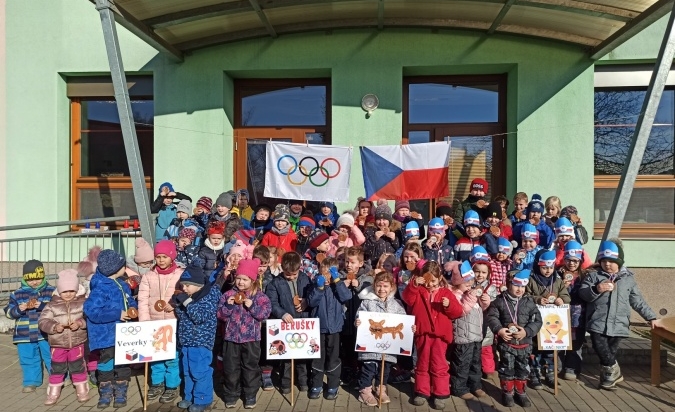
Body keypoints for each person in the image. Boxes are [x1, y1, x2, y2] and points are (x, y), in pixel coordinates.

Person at [579, 239, 658, 391]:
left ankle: (607, 377)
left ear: (619, 261)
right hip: (598, 321)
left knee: (610, 351)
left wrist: (651, 317)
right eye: (604, 261)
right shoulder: (593, 276)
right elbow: (583, 294)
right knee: (599, 347)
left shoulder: (628, 279)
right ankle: (612, 371)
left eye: (611, 261)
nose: (607, 264)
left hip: (619, 323)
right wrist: (597, 289)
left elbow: (638, 301)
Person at [402, 260, 462, 409]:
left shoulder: (445, 292)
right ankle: (422, 391)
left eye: (433, 281)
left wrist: (449, 305)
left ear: (439, 277)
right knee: (422, 363)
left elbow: (457, 312)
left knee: (439, 364)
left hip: (439, 336)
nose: (429, 284)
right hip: (422, 333)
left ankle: (440, 393)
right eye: (427, 281)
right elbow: (407, 299)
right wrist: (414, 285)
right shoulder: (418, 291)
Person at [84, 249, 138, 409]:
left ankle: (121, 391)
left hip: (123, 334)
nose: (125, 268)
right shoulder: (100, 288)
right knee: (106, 362)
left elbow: (129, 301)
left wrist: (132, 308)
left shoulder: (122, 285)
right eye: (123, 266)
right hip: (106, 335)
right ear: (114, 269)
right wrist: (117, 314)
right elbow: (91, 311)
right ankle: (106, 392)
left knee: (123, 362)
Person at [217, 258, 272, 408]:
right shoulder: (228, 295)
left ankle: (250, 395)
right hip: (231, 338)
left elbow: (265, 314)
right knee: (231, 368)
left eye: (245, 279)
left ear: (252, 280)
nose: (241, 282)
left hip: (251, 339)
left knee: (250, 368)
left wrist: (252, 306)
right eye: (239, 278)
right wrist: (227, 307)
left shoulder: (259, 297)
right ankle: (231, 394)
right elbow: (220, 315)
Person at [486, 269, 542, 407]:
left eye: (522, 286)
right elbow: (492, 317)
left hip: (525, 344)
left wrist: (527, 332)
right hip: (507, 344)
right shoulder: (499, 301)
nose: (520, 289)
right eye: (516, 285)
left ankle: (521, 392)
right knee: (507, 368)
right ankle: (508, 393)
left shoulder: (529, 302)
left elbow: (537, 321)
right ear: (508, 283)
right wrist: (499, 330)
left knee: (523, 369)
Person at [354, 271, 411, 406]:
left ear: (391, 287)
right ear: (374, 286)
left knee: (384, 369)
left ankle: (381, 388)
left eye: (385, 286)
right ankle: (365, 391)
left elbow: (403, 321)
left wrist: (410, 328)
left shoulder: (396, 304)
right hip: (369, 346)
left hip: (388, 348)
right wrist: (358, 322)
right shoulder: (367, 302)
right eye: (379, 286)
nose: (382, 289)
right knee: (368, 369)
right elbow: (359, 316)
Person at [138, 240, 184, 403]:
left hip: (172, 323)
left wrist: (174, 306)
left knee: (172, 356)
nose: (161, 260)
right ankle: (157, 383)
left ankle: (172, 385)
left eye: (165, 256)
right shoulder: (149, 275)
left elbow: (183, 295)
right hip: (153, 323)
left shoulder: (179, 274)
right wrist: (144, 321)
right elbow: (143, 299)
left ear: (172, 257)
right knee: (156, 355)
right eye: (158, 257)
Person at [173, 260, 221, 412]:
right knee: (187, 370)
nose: (184, 288)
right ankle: (189, 397)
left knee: (199, 371)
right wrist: (179, 305)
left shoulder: (209, 297)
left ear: (198, 284)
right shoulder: (190, 296)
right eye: (182, 285)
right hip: (186, 340)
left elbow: (199, 316)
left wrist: (186, 302)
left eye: (187, 285)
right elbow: (182, 316)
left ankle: (202, 398)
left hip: (201, 342)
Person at [38, 269, 90, 405]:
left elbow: (89, 318)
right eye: (65, 291)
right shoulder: (51, 305)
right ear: (59, 291)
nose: (68, 294)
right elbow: (43, 321)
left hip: (77, 342)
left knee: (78, 366)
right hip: (58, 344)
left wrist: (80, 323)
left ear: (77, 290)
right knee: (57, 368)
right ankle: (53, 391)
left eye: (71, 291)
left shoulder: (84, 303)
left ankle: (81, 388)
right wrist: (54, 327)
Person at [3, 259, 54, 393]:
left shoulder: (51, 291)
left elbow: (57, 310)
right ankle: (31, 381)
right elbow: (8, 312)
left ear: (43, 276)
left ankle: (58, 378)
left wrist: (43, 306)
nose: (34, 282)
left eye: (38, 278)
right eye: (30, 279)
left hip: (45, 334)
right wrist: (18, 309)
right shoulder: (16, 294)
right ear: (25, 278)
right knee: (28, 358)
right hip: (24, 335)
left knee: (51, 356)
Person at [265, 251, 312, 393]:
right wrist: (282, 313)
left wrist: (306, 302)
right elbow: (271, 302)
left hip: (302, 320)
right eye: (288, 274)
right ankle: (286, 382)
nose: (291, 277)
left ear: (299, 269)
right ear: (282, 269)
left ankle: (303, 380)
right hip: (286, 323)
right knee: (286, 355)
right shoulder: (275, 283)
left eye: (294, 274)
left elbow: (311, 295)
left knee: (302, 353)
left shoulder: (305, 279)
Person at [306, 257, 352, 400]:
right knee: (318, 358)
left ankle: (333, 385)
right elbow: (311, 302)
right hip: (318, 328)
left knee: (333, 358)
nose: (325, 277)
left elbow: (346, 297)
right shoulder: (315, 286)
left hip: (335, 328)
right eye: (322, 274)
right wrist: (319, 288)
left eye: (328, 274)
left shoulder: (338, 286)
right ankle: (317, 384)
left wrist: (338, 281)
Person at [526, 249, 571, 389]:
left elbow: (567, 297)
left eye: (550, 267)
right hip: (535, 321)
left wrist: (561, 299)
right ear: (538, 265)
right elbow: (525, 296)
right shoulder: (531, 280)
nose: (548, 270)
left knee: (551, 349)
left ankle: (551, 373)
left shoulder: (557, 281)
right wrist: (537, 299)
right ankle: (535, 373)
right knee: (536, 349)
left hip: (552, 324)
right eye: (544, 267)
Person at [449, 261, 490, 400]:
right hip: (463, 336)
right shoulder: (454, 294)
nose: (469, 283)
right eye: (465, 281)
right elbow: (461, 311)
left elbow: (479, 309)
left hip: (476, 335)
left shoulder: (470, 292)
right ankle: (459, 387)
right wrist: (472, 296)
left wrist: (485, 302)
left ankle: (475, 385)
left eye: (470, 280)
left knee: (475, 363)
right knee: (462, 363)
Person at [558, 240, 587, 381]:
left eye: (575, 261)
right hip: (560, 313)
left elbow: (586, 295)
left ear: (580, 261)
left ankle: (572, 367)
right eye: (569, 260)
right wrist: (561, 286)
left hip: (577, 315)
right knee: (558, 337)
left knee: (575, 341)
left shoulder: (585, 276)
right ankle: (557, 366)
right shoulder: (558, 274)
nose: (572, 264)